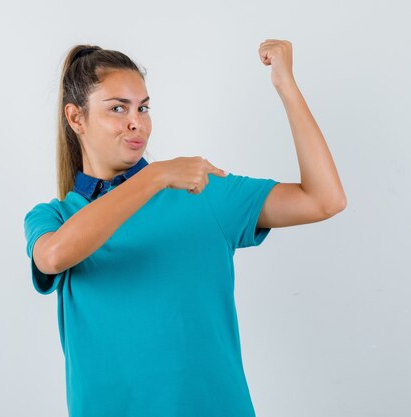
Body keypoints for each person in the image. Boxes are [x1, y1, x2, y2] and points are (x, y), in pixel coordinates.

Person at [23, 41, 346, 417]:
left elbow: (325, 199)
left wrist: (286, 86)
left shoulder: (201, 192)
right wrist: (155, 175)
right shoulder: (56, 217)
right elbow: (53, 256)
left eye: (143, 108)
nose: (136, 122)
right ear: (76, 118)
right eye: (117, 109)